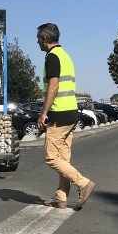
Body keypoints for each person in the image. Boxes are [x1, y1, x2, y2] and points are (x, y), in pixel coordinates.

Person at [36, 23, 96, 210]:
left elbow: (54, 86)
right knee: (63, 158)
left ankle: (83, 183)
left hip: (59, 114)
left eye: (38, 38)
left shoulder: (52, 57)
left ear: (45, 39)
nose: (37, 42)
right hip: (72, 113)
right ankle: (60, 197)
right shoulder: (65, 56)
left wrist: (44, 113)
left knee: (51, 158)